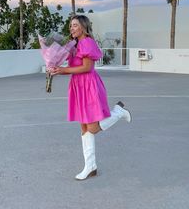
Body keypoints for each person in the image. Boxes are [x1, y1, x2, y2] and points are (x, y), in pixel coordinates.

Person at [52, 15, 132, 181]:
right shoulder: (74, 44)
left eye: (75, 25)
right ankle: (90, 167)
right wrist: (55, 68)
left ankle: (118, 112)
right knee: (84, 128)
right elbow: (72, 65)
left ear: (83, 27)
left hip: (89, 86)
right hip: (77, 87)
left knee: (93, 128)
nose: (71, 28)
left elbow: (87, 67)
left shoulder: (87, 42)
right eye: (70, 26)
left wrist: (63, 71)